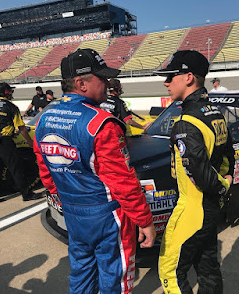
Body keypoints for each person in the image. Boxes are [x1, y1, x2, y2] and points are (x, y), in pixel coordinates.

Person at [33, 48, 156, 294]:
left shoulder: (44, 118)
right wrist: (144, 221)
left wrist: (68, 196)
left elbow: (46, 171)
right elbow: (123, 182)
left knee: (81, 274)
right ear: (81, 83)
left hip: (73, 214)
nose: (108, 84)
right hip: (107, 217)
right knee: (116, 281)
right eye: (102, 78)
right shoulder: (101, 123)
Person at [154, 50, 234, 294]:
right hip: (210, 207)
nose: (166, 83)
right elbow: (227, 161)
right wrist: (224, 185)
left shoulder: (186, 122)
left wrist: (223, 185)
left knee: (169, 270)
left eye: (170, 77)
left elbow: (203, 177)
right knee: (207, 265)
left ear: (189, 77)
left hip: (193, 207)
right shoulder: (216, 113)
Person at [0, 82, 43, 206]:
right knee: (16, 167)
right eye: (10, 91)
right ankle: (27, 194)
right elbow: (22, 128)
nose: (11, 93)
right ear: (6, 92)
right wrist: (30, 142)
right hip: (4, 142)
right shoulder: (11, 107)